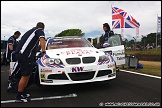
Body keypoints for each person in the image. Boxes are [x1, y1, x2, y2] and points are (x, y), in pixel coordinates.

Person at [14, 22, 46, 102]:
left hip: (21, 54)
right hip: (25, 55)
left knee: (27, 75)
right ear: (43, 28)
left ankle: (23, 91)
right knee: (25, 75)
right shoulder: (39, 30)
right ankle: (19, 96)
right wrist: (44, 51)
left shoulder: (30, 31)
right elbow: (42, 39)